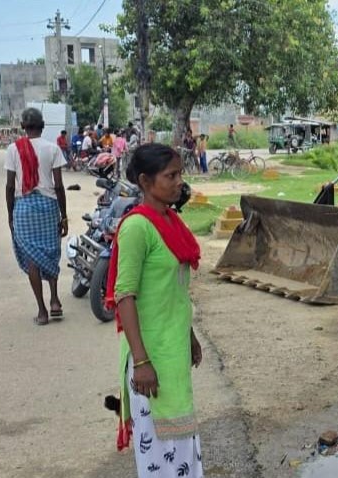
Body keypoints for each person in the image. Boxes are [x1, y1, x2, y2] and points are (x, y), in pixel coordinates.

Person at [105, 143, 204, 477]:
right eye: (170, 176)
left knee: (182, 441)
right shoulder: (137, 228)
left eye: (180, 175)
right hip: (150, 354)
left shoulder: (171, 221)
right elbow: (124, 296)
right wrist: (142, 361)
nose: (179, 182)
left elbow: (174, 291)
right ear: (146, 182)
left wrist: (189, 335)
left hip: (172, 348)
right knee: (160, 450)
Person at [4, 107, 68, 326]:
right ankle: (56, 300)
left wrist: (10, 215)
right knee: (50, 253)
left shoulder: (13, 149)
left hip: (23, 207)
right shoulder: (52, 149)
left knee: (32, 257)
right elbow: (59, 186)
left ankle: (42, 311)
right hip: (48, 206)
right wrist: (64, 215)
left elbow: (10, 186)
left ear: (23, 126)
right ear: (42, 126)